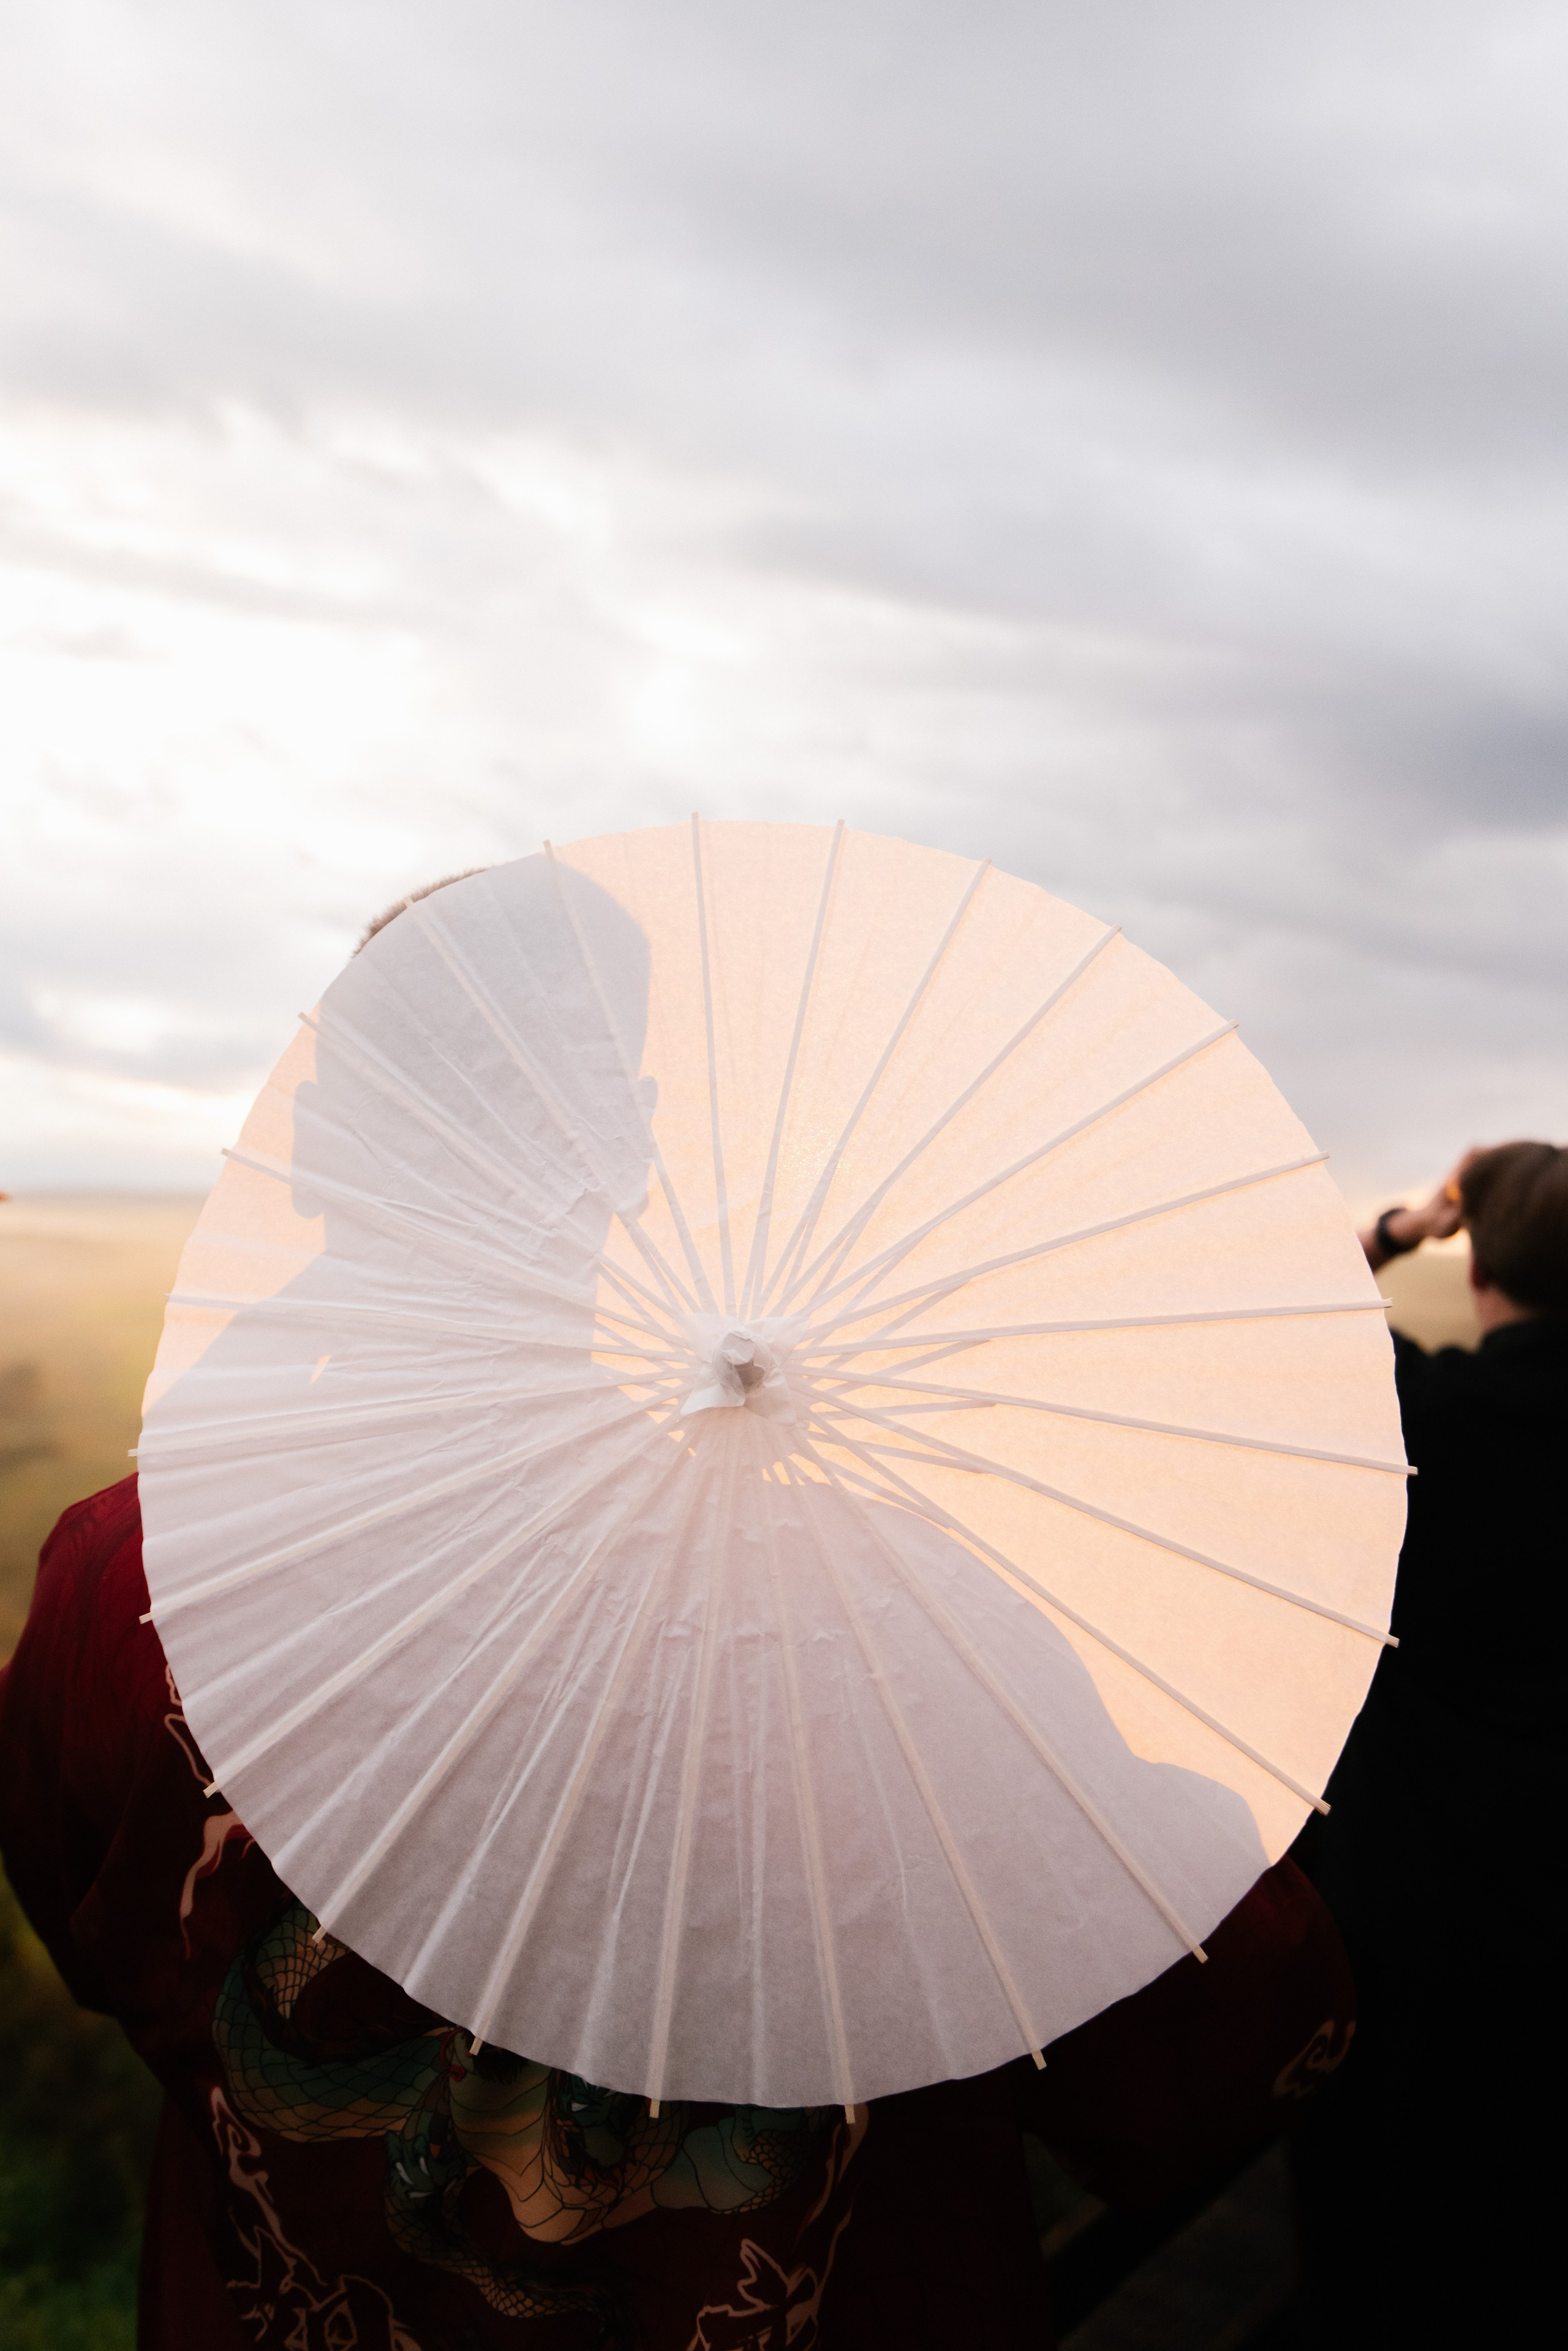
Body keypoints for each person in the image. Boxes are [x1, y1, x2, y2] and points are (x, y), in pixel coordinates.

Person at [0, 876, 1360, 2348]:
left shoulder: (120, 1574)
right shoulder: (881, 1612)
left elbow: (106, 1953)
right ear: (627, 1146)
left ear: (319, 1146)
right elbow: (1219, 2046)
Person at [1291, 1141, 1568, 2345]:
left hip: (1400, 1889)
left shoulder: (1431, 1424)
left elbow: (1308, 1300)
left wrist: (1399, 1228)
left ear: (1477, 1257)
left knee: (1377, 2204)